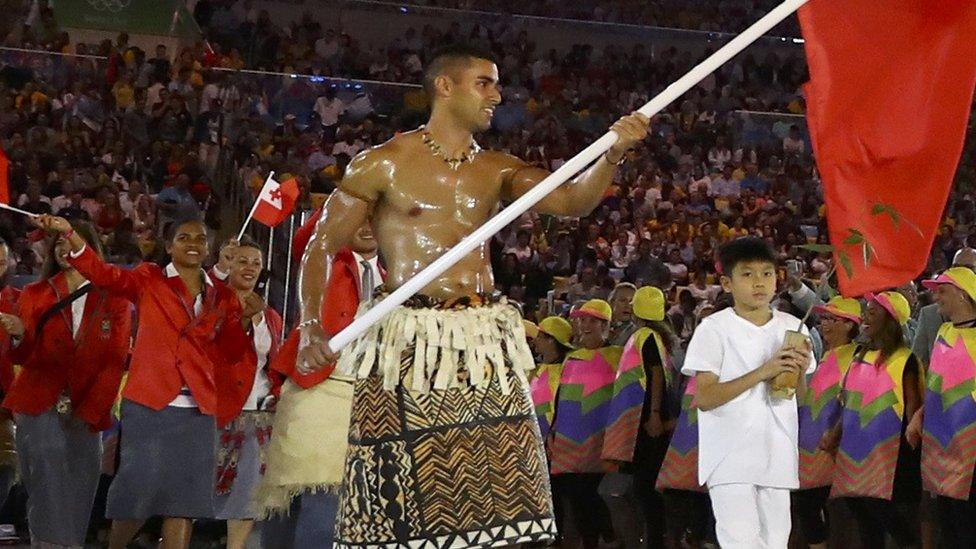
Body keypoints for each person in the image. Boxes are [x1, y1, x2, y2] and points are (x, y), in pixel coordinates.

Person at [295, 44, 648, 548]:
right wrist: (311, 325)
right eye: (485, 83)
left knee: (505, 487)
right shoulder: (383, 164)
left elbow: (572, 201)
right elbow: (321, 247)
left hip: (482, 340)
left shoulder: (498, 168)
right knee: (400, 497)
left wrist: (614, 151)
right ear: (446, 86)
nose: (497, 95)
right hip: (408, 343)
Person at [31, 214, 254, 549]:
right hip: (151, 404)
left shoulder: (221, 296)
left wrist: (243, 316)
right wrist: (71, 236)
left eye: (200, 239)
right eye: (184, 237)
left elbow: (232, 350)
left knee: (185, 502)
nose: (193, 244)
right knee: (137, 494)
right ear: (168, 246)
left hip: (198, 410)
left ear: (209, 248)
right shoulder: (149, 278)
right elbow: (103, 273)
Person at [0, 222, 130, 548]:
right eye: (58, 243)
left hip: (88, 409)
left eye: (72, 241)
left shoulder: (114, 298)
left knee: (80, 488)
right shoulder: (34, 294)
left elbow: (115, 361)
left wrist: (91, 410)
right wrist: (19, 334)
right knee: (47, 483)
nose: (64, 248)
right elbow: (25, 355)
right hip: (37, 403)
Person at [681, 237, 814, 549]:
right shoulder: (713, 329)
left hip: (777, 455)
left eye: (767, 274)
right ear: (727, 283)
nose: (759, 282)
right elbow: (706, 397)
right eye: (748, 274)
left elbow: (800, 398)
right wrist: (762, 372)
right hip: (730, 457)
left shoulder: (794, 327)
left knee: (775, 544)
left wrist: (799, 371)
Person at [257, 222, 384, 549]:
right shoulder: (327, 261)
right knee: (309, 494)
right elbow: (307, 238)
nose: (367, 226)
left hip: (369, 398)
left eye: (375, 217)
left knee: (346, 503)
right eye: (360, 217)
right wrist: (350, 194)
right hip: (316, 388)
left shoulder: (395, 276)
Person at [822, 291, 921, 549]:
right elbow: (850, 401)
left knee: (880, 509)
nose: (865, 316)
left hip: (890, 452)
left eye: (873, 311)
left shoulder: (906, 359)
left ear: (890, 320)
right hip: (856, 447)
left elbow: (913, 406)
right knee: (861, 511)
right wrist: (835, 433)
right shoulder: (860, 357)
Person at [214, 238, 284, 549]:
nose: (250, 268)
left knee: (249, 492)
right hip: (218, 412)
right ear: (228, 264)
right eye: (243, 261)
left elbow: (276, 363)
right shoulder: (211, 304)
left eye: (256, 263)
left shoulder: (270, 316)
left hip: (259, 415)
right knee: (203, 489)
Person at [541, 299, 620, 548]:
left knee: (590, 494)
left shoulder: (617, 356)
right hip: (567, 440)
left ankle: (607, 537)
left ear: (605, 325)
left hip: (600, 439)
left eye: (591, 320)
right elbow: (561, 397)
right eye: (581, 320)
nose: (584, 325)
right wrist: (552, 431)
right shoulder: (571, 359)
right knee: (576, 498)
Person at [602, 286, 677, 548]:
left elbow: (655, 373)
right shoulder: (658, 336)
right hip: (648, 418)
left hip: (647, 420)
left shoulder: (645, 335)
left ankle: (655, 541)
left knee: (646, 487)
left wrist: (655, 413)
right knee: (645, 487)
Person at [793, 297, 861, 549]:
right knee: (810, 505)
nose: (825, 324)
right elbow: (805, 400)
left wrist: (837, 434)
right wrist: (800, 371)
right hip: (811, 444)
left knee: (811, 504)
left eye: (833, 319)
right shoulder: (826, 356)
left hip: (834, 445)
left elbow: (853, 402)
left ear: (850, 325)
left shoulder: (857, 357)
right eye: (824, 318)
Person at [916, 267, 976, 546]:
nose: (935, 296)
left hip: (971, 449)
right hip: (942, 445)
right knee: (948, 522)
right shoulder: (943, 331)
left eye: (943, 291)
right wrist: (919, 416)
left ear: (963, 295)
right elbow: (935, 383)